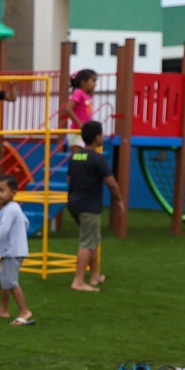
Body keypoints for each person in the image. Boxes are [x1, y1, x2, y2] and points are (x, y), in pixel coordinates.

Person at [66, 121, 124, 292]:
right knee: (87, 242)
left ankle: (94, 276)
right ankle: (78, 281)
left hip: (74, 203)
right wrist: (119, 200)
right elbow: (111, 183)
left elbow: (69, 179)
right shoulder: (98, 158)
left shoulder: (76, 156)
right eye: (101, 134)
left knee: (93, 239)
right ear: (98, 137)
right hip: (88, 207)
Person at [0, 175, 34, 326]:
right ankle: (3, 309)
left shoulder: (9, 210)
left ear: (13, 192)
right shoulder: (14, 208)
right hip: (12, 251)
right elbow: (26, 223)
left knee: (10, 282)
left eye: (2, 190)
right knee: (2, 279)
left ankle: (24, 311)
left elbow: (2, 230)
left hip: (13, 252)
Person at [59, 69, 98, 146]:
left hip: (85, 131)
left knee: (86, 152)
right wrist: (80, 124)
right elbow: (68, 109)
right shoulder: (78, 93)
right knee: (77, 153)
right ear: (83, 82)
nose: (95, 84)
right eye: (93, 81)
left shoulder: (88, 95)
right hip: (76, 131)